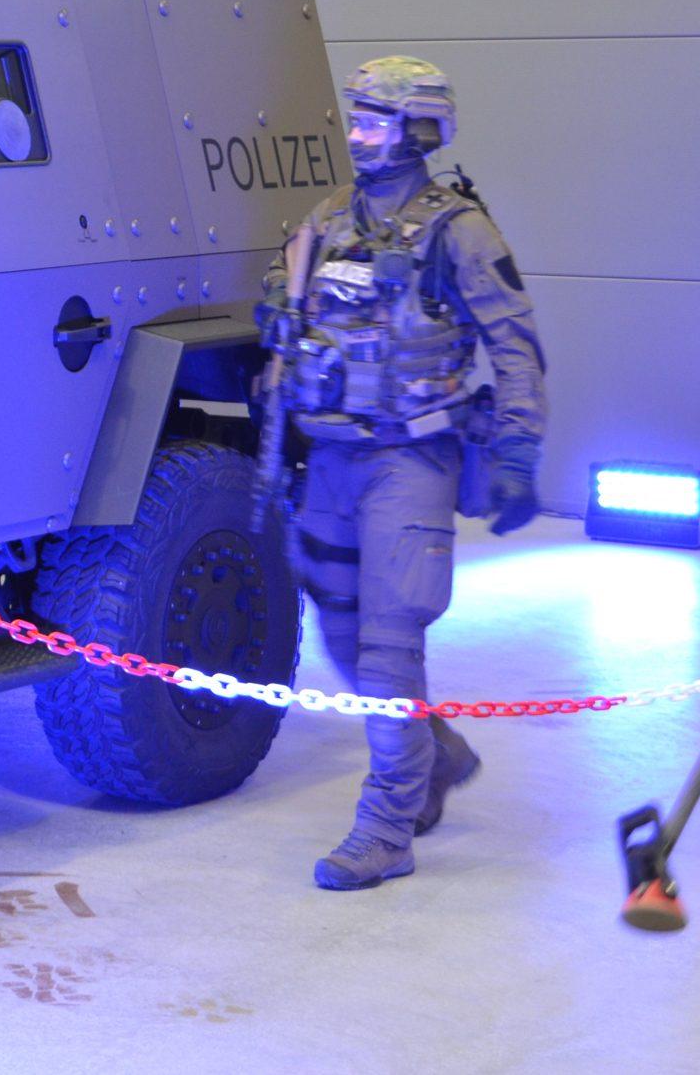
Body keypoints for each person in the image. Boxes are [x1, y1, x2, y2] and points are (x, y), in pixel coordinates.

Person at [264, 55, 546, 891]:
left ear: (420, 130)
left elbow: (514, 342)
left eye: (373, 121)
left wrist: (519, 450)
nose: (356, 135)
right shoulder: (327, 219)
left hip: (411, 458)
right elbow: (289, 322)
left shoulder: (459, 230)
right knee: (340, 635)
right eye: (354, 118)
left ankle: (387, 829)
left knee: (389, 648)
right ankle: (436, 754)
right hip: (331, 458)